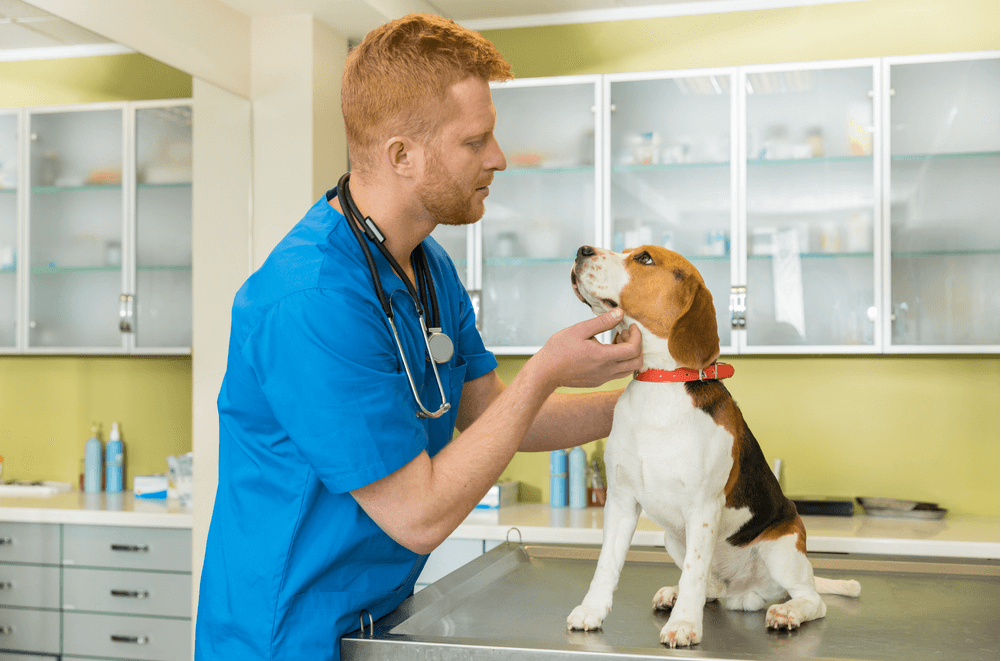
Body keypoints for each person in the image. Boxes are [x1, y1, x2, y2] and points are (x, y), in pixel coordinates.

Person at [194, 13, 642, 661]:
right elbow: (418, 513)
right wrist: (547, 367)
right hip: (285, 636)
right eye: (475, 141)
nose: (499, 157)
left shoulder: (426, 266)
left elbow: (488, 413)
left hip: (375, 619)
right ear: (402, 154)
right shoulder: (310, 297)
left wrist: (646, 402)